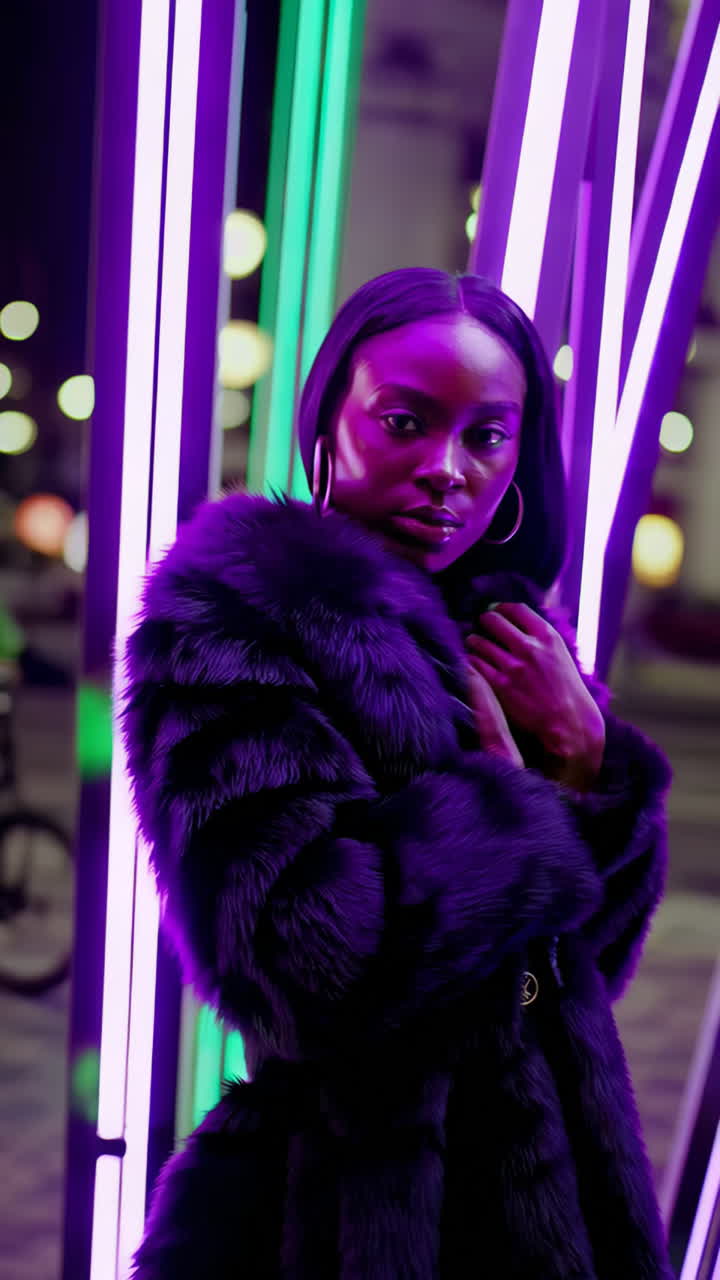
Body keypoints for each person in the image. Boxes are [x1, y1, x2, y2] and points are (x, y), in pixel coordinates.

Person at [120, 268, 675, 1279]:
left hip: (556, 1186)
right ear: (329, 420)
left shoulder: (508, 634)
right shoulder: (237, 613)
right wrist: (512, 807)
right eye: (405, 421)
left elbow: (583, 960)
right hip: (350, 1212)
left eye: (487, 435)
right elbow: (293, 960)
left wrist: (591, 768)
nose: (447, 469)